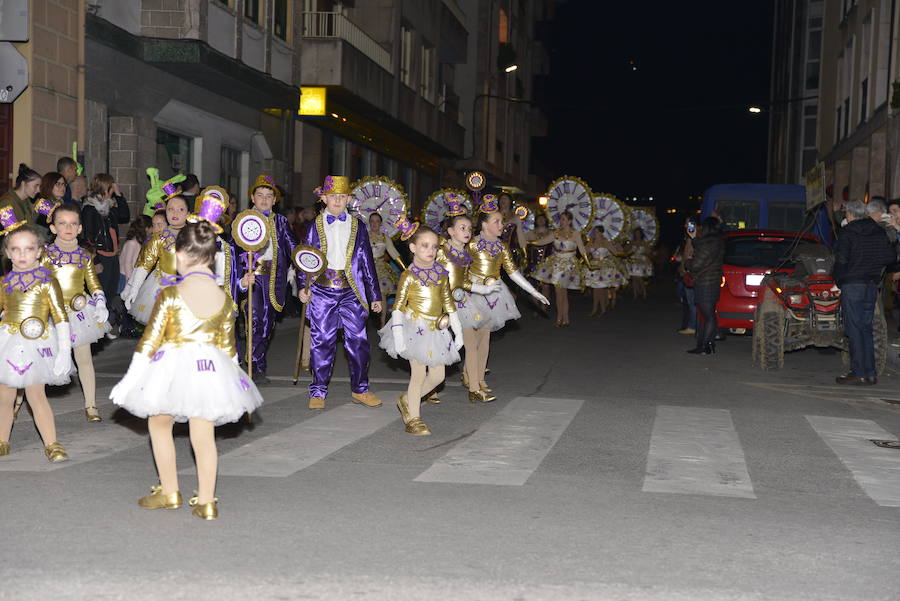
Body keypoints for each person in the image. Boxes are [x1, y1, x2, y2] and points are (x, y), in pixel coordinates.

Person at [111, 220, 263, 520]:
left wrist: (131, 379)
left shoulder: (171, 294)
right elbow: (229, 348)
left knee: (159, 422)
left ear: (179, 255)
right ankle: (206, 501)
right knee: (203, 432)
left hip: (173, 365)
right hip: (210, 368)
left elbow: (150, 341)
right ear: (213, 257)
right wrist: (234, 385)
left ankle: (170, 491)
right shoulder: (224, 299)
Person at [298, 175, 383, 410]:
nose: (337, 200)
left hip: (351, 292)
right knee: (322, 341)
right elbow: (304, 259)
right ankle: (318, 390)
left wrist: (374, 295)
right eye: (333, 196)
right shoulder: (313, 225)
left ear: (348, 199)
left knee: (359, 342)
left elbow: (366, 261)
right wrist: (303, 287)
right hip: (322, 291)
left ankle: (360, 389)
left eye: (342, 196)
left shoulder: (359, 226)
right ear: (323, 198)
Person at [378, 221, 463, 435]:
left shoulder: (441, 273)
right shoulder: (409, 275)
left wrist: (458, 331)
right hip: (414, 327)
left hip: (436, 329)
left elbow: (448, 302)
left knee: (438, 377)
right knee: (418, 374)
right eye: (424, 245)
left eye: (434, 246)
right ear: (413, 247)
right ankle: (414, 420)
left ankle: (407, 400)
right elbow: (398, 307)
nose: (430, 250)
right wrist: (399, 337)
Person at [0, 214, 73, 461]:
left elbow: (60, 317)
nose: (22, 254)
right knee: (5, 395)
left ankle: (52, 444)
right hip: (8, 341)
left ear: (39, 252)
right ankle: (2, 439)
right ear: (7, 253)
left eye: (29, 249)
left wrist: (65, 351)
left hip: (38, 343)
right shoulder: (4, 282)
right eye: (16, 249)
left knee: (36, 394)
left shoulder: (47, 281)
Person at [462, 196, 549, 401]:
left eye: (502, 221)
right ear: (485, 225)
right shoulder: (471, 244)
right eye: (497, 222)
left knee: (485, 338)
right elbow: (461, 272)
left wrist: (534, 292)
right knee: (472, 340)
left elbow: (513, 273)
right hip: (472, 294)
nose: (502, 225)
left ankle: (478, 378)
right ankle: (472, 380)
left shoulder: (502, 247)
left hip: (494, 295)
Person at [40, 203, 110, 422]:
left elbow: (93, 282)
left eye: (73, 224)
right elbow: (37, 282)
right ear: (53, 228)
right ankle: (20, 400)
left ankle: (91, 404)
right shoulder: (46, 255)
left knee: (84, 358)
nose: (68, 228)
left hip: (79, 313)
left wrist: (100, 302)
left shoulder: (84, 256)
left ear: (80, 228)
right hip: (51, 313)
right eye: (62, 223)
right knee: (39, 359)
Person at [232, 175, 299, 385]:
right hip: (252, 278)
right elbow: (233, 251)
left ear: (275, 200)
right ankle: (254, 367)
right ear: (252, 197)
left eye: (269, 196)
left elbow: (292, 247)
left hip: (274, 278)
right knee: (254, 320)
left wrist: (305, 262)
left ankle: (257, 362)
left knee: (267, 325)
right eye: (260, 195)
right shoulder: (243, 220)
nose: (264, 199)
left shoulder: (280, 221)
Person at [434, 202, 501, 402]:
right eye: (462, 228)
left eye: (469, 229)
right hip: (441, 303)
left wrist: (484, 289)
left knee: (470, 345)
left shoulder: (464, 253)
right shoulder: (441, 251)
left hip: (462, 303)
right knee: (437, 345)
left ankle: (474, 388)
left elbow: (463, 281)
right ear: (450, 231)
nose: (467, 232)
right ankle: (429, 387)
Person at [833, 199, 897, 385]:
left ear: (850, 214)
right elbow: (890, 257)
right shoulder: (878, 230)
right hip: (871, 285)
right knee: (865, 329)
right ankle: (869, 373)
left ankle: (858, 372)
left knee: (854, 330)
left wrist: (838, 280)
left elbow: (841, 260)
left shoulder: (848, 232)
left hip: (853, 285)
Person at [121, 191, 188, 325]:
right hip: (162, 287)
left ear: (188, 213)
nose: (175, 213)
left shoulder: (196, 236)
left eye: (180, 209)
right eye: (171, 209)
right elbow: (144, 264)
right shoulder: (159, 238)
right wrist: (134, 289)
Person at [81, 174, 130, 333]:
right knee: (100, 294)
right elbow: (88, 238)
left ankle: (105, 328)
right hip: (101, 257)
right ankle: (97, 329)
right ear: (105, 188)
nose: (114, 190)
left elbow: (125, 216)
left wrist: (119, 195)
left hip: (112, 256)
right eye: (112, 187)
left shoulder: (108, 207)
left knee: (110, 293)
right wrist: (95, 261)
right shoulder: (90, 208)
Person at [529, 211, 589, 327]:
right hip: (557, 265)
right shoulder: (556, 233)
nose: (561, 221)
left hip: (569, 265)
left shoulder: (575, 234)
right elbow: (542, 241)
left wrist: (588, 264)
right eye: (561, 219)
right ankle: (560, 318)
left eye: (563, 219)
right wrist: (529, 242)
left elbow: (582, 250)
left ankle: (564, 318)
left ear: (569, 221)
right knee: (558, 291)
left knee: (563, 292)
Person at [684, 217, 724, 355]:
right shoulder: (717, 241)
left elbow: (696, 264)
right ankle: (709, 345)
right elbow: (703, 250)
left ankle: (705, 346)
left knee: (708, 316)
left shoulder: (709, 243)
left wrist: (687, 262)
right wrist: (694, 238)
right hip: (712, 282)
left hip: (706, 283)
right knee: (709, 315)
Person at [368, 212, 404, 327]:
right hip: (367, 268)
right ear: (369, 223)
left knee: (381, 293)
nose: (374, 224)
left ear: (380, 223)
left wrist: (405, 268)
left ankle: (382, 324)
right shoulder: (364, 236)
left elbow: (394, 253)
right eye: (372, 221)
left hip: (381, 269)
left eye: (377, 221)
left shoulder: (385, 237)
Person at [118, 215, 152, 338]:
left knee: (130, 304)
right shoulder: (132, 243)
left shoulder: (138, 243)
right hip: (126, 278)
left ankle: (129, 327)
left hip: (131, 277)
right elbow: (127, 263)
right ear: (146, 228)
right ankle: (125, 328)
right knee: (126, 305)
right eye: (151, 227)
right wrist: (130, 281)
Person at [584, 226, 627, 316]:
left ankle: (599, 309)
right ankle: (598, 309)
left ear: (601, 233)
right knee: (596, 289)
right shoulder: (591, 242)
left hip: (604, 267)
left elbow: (615, 252)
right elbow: (585, 253)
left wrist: (626, 253)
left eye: (597, 232)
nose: (595, 234)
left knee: (599, 289)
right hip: (594, 266)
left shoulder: (605, 241)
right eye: (594, 232)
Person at [674, 219, 697, 335]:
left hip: (690, 272)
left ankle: (692, 326)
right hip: (690, 272)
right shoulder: (689, 238)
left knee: (691, 302)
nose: (686, 225)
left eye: (689, 223)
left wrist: (683, 267)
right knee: (689, 301)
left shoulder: (692, 239)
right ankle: (691, 325)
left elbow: (688, 256)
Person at [626, 228, 654, 299]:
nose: (637, 234)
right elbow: (626, 250)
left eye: (638, 233)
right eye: (636, 233)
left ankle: (644, 291)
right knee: (634, 277)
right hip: (633, 261)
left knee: (639, 277)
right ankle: (635, 293)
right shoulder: (632, 242)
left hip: (641, 261)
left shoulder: (644, 243)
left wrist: (644, 252)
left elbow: (649, 252)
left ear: (641, 234)